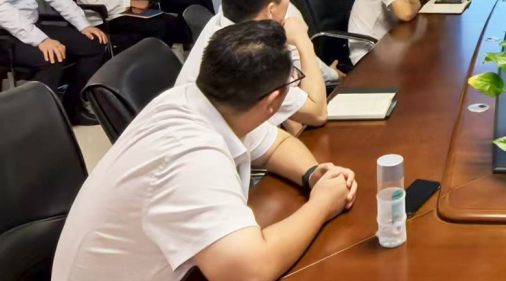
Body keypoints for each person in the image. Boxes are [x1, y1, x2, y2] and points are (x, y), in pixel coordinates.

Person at [52, 20, 358, 281]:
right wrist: (321, 205)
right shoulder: (191, 157)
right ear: (272, 102)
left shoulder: (202, 100)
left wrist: (312, 174)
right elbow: (250, 270)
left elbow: (276, 143)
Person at [177, 0, 328, 131]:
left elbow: (288, 111)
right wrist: (304, 42)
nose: (289, 1)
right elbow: (317, 113)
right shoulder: (247, 55)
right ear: (271, 10)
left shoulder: (224, 20)